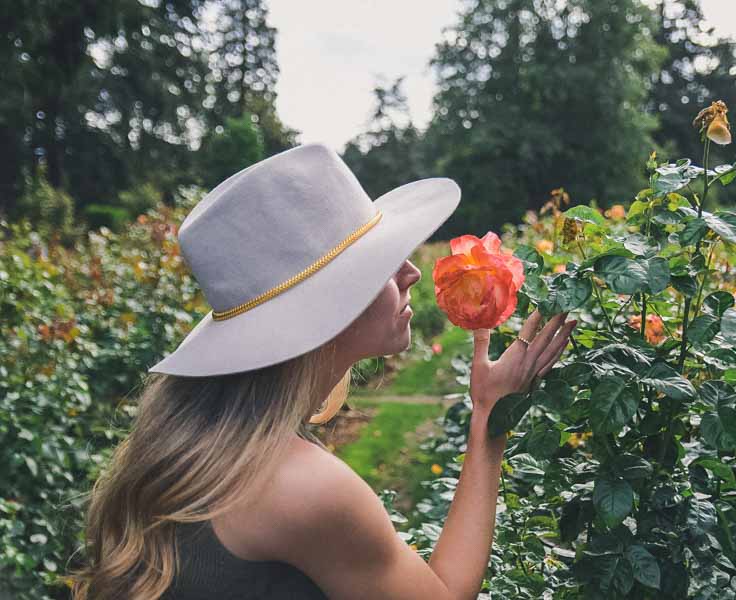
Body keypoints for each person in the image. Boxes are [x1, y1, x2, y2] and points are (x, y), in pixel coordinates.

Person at [69, 143, 577, 600]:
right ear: (324, 309)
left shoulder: (199, 450)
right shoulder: (301, 486)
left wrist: (487, 409)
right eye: (376, 264)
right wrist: (489, 420)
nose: (412, 272)